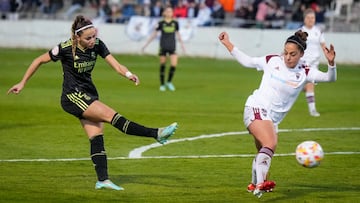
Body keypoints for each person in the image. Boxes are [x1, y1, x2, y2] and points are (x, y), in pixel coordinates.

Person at [7, 15, 178, 191]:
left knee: (96, 136)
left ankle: (103, 180)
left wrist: (128, 74)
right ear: (77, 38)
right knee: (112, 116)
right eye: (88, 38)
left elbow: (117, 66)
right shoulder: (64, 48)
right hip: (72, 96)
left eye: (94, 36)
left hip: (88, 94)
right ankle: (156, 133)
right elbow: (39, 60)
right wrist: (22, 82)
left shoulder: (98, 45)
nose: (92, 40)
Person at [218, 30, 336, 198]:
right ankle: (260, 184)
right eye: (286, 52)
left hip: (271, 120)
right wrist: (228, 43)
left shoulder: (305, 72)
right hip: (256, 107)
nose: (287, 57)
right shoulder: (272, 60)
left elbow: (330, 78)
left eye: (293, 54)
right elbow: (248, 61)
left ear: (301, 54)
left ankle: (254, 185)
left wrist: (331, 63)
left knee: (263, 149)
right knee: (270, 143)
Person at [142, 6, 185, 92]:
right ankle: (162, 84)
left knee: (173, 65)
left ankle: (169, 82)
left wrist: (182, 45)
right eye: (168, 11)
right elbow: (154, 34)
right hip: (163, 46)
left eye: (171, 11)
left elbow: (178, 34)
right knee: (163, 65)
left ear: (172, 13)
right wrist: (146, 44)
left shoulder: (175, 23)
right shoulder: (161, 23)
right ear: (164, 13)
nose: (169, 13)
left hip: (172, 46)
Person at [301, 8, 326, 117]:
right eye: (309, 18)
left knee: (310, 85)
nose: (311, 20)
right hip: (302, 63)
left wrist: (329, 57)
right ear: (304, 19)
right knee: (306, 85)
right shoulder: (300, 32)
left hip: (314, 64)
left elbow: (323, 46)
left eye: (313, 18)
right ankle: (302, 88)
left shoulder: (318, 31)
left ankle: (312, 110)